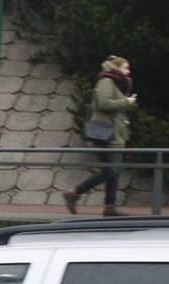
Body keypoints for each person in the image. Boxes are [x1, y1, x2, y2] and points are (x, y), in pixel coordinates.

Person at [63, 55, 138, 217]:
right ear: (116, 68)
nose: (128, 71)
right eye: (125, 67)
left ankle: (109, 207)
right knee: (111, 171)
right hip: (107, 136)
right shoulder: (106, 81)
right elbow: (103, 103)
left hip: (115, 135)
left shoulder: (114, 83)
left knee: (113, 171)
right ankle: (75, 192)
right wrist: (126, 102)